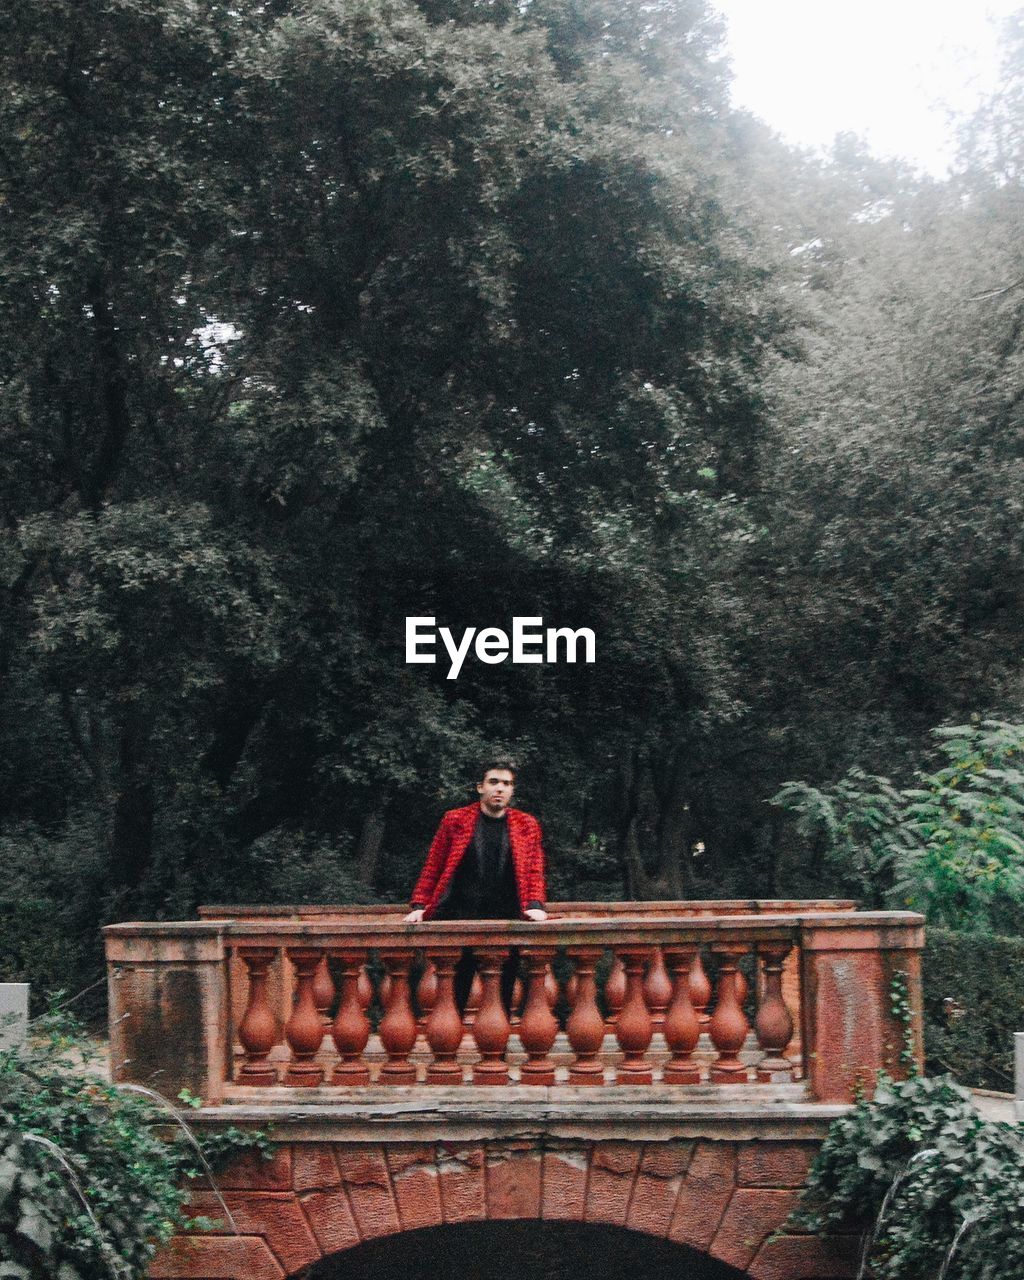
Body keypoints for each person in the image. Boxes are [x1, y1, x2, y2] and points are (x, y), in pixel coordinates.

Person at [404, 759, 547, 1012]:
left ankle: (497, 1052)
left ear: (512, 790)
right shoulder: (455, 820)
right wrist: (419, 905)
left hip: (508, 918)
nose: (500, 789)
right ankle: (448, 1051)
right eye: (494, 782)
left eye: (506, 783)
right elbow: (434, 865)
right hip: (461, 917)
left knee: (503, 993)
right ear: (480, 787)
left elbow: (534, 869)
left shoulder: (527, 825)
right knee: (455, 991)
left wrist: (535, 904)